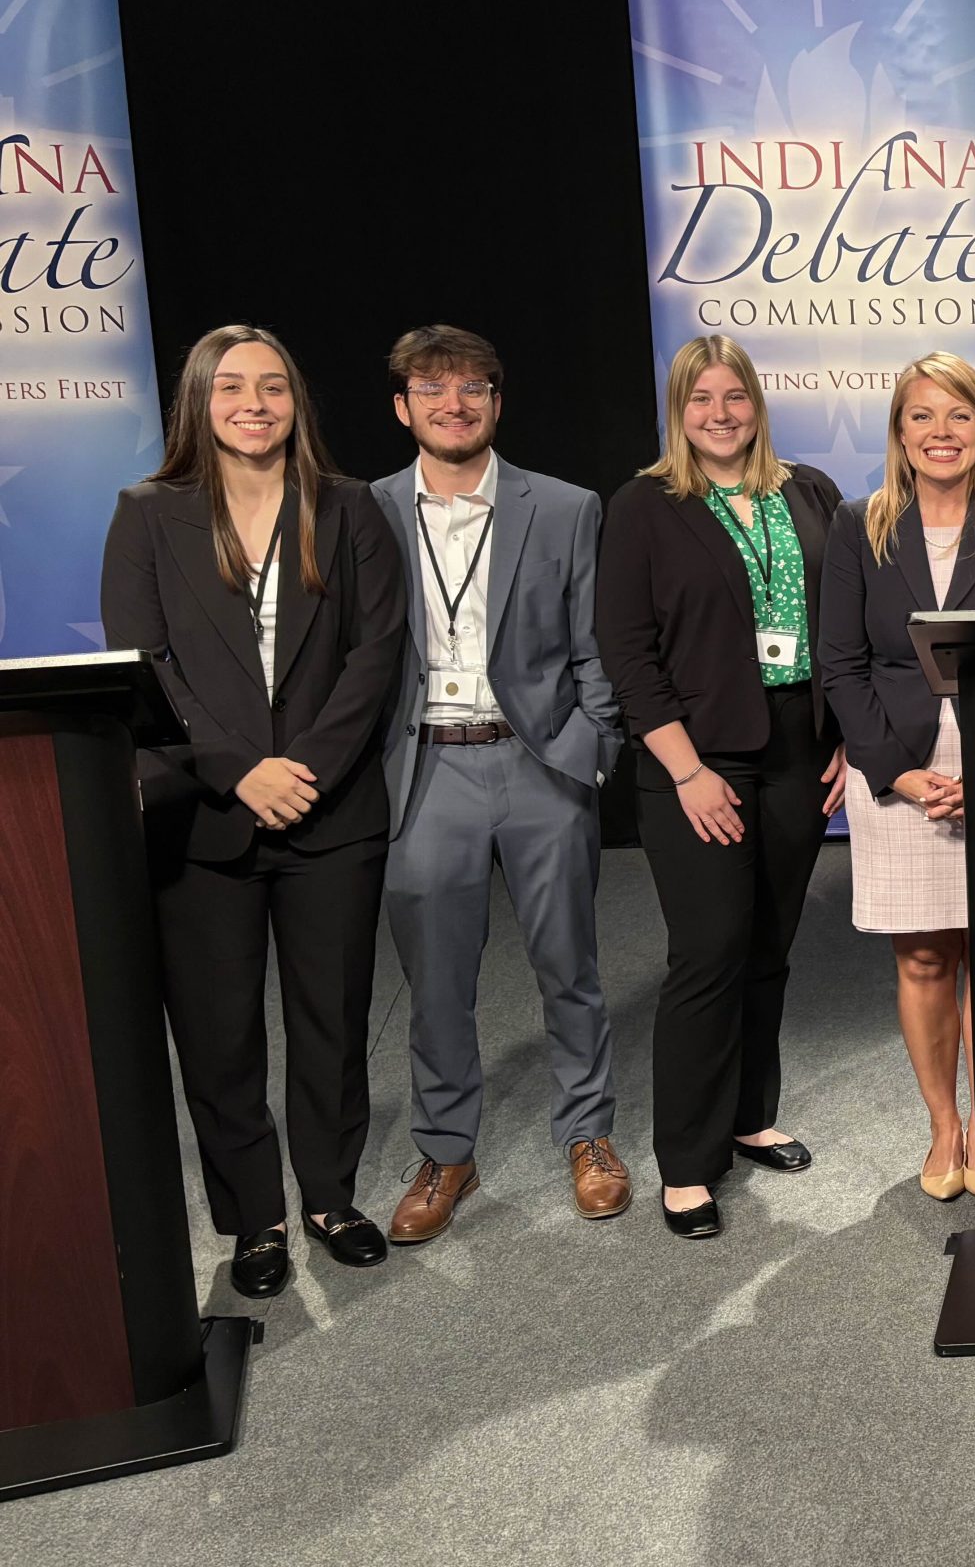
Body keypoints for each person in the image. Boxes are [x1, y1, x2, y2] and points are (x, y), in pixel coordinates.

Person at [99, 324, 405, 1296]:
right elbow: (144, 667)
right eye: (233, 387)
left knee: (331, 1020)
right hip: (201, 820)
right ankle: (256, 1221)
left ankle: (327, 1196)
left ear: (295, 402)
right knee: (219, 1034)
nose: (255, 404)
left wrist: (301, 769)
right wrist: (238, 771)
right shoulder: (148, 515)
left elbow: (376, 656)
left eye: (273, 386)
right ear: (201, 399)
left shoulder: (349, 509)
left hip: (331, 813)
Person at [371, 326, 629, 1244]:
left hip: (540, 762)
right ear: (402, 407)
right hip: (425, 766)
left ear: (496, 401)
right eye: (432, 389)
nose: (455, 404)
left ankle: (589, 1135)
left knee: (571, 965)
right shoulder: (365, 512)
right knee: (435, 980)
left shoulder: (563, 506)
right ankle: (446, 1150)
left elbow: (596, 639)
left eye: (473, 387)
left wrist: (593, 745)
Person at [597, 335, 849, 1238]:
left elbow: (847, 620)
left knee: (771, 946)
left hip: (798, 746)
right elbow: (627, 653)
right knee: (707, 955)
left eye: (734, 396)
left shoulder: (810, 491)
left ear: (757, 404)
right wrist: (689, 770)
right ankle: (688, 1162)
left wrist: (848, 740)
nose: (720, 413)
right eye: (700, 398)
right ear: (679, 409)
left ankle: (749, 1116)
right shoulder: (645, 506)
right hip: (696, 757)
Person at [820, 352, 975, 1198]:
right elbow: (841, 666)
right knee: (925, 958)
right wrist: (900, 773)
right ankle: (944, 1127)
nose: (941, 433)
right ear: (898, 431)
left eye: (960, 415)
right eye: (922, 416)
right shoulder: (860, 525)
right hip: (896, 762)